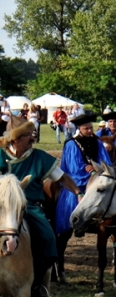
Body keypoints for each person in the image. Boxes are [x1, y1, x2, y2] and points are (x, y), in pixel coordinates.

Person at [0, 119, 79, 297]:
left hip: (29, 204)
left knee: (47, 236)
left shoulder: (39, 157)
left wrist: (78, 192)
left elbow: (62, 178)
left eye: (32, 134)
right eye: (29, 135)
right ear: (16, 139)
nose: (32, 138)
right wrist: (1, 197)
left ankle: (37, 285)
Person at [54, 112, 111, 282]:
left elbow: (105, 162)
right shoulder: (72, 144)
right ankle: (59, 265)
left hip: (96, 179)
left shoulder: (98, 143)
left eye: (90, 128)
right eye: (86, 128)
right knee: (68, 220)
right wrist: (89, 172)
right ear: (79, 129)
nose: (89, 130)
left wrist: (98, 171)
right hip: (77, 185)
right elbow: (73, 168)